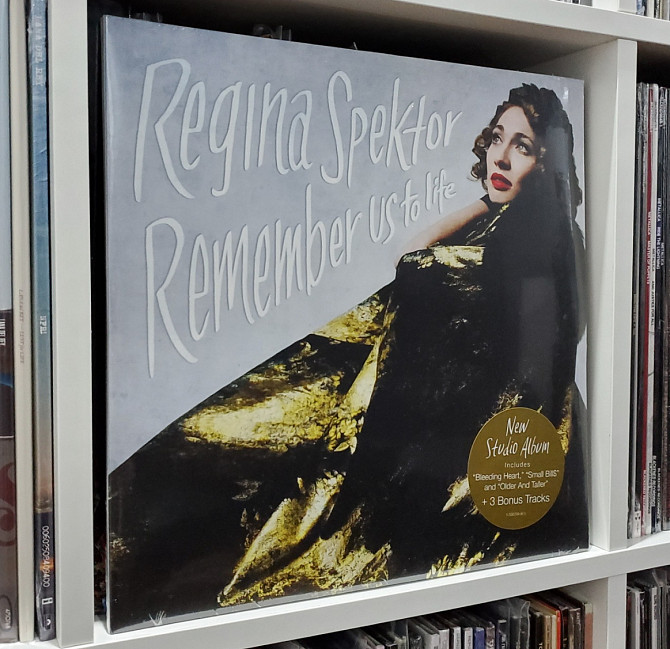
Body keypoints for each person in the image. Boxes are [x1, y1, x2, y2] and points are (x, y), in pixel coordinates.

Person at [318, 82, 589, 577]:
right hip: (483, 427)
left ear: (546, 165)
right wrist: (488, 201)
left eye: (522, 147)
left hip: (511, 438)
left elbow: (420, 266)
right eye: (497, 138)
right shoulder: (501, 222)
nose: (499, 157)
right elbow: (411, 255)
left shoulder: (547, 234)